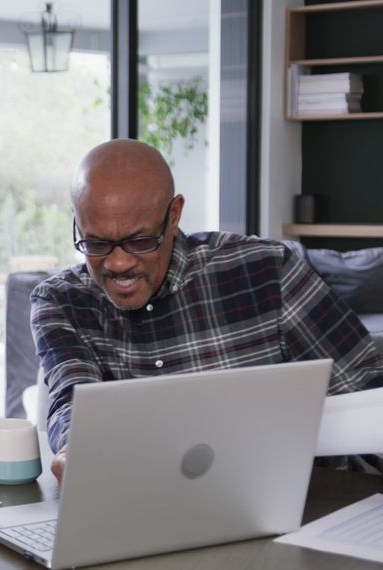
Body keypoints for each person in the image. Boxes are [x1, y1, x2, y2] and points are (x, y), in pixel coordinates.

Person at [31, 138, 383, 484]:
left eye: (140, 241)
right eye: (96, 243)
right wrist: (75, 450)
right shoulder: (61, 302)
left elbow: (367, 395)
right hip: (148, 514)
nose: (119, 262)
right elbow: (72, 399)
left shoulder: (269, 271)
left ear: (174, 214)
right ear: (77, 222)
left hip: (309, 503)